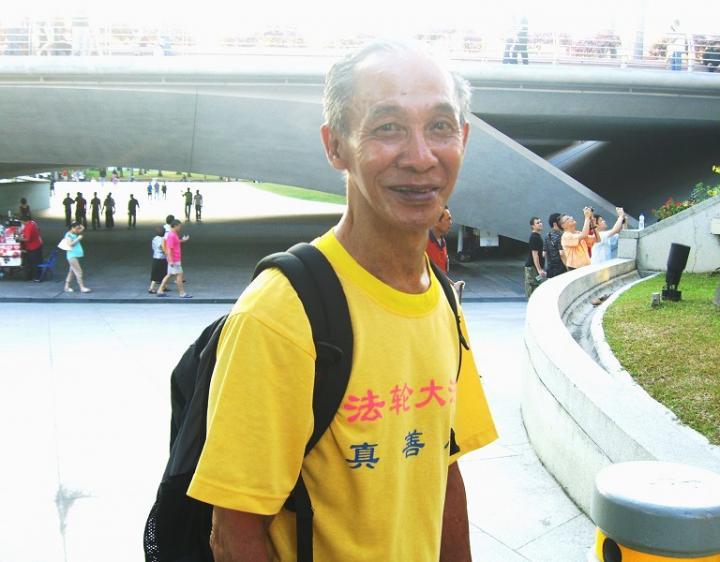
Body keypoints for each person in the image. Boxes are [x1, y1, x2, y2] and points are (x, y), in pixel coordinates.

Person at [187, 40, 497, 562]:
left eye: (440, 126)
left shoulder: (440, 294)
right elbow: (234, 536)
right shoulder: (280, 316)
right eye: (388, 127)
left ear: (462, 139)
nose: (421, 157)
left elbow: (443, 467)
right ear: (336, 147)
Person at [156, 219, 191, 298]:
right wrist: (171, 260)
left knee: (169, 275)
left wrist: (183, 240)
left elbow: (176, 242)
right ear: (175, 226)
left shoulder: (173, 234)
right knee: (179, 275)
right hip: (174, 259)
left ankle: (160, 290)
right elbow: (169, 248)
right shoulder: (171, 235)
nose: (180, 228)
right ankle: (182, 293)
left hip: (174, 259)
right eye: (179, 226)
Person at [63, 221, 91, 293]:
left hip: (75, 256)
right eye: (76, 228)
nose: (78, 230)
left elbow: (83, 227)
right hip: (72, 256)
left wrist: (77, 223)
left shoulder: (74, 233)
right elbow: (70, 244)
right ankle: (82, 287)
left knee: (71, 271)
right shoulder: (68, 235)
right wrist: (78, 239)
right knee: (79, 272)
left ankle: (66, 286)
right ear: (72, 228)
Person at [426, 206, 452, 273]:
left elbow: (441, 273)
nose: (451, 222)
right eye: (448, 219)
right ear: (436, 222)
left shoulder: (443, 242)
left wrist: (452, 283)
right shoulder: (423, 244)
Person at [524, 216, 545, 297]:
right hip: (532, 269)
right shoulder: (534, 237)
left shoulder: (537, 236)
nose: (540, 224)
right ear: (533, 226)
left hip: (535, 269)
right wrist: (539, 269)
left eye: (540, 222)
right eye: (538, 223)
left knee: (537, 284)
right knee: (533, 289)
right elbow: (534, 254)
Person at [19, 215, 43, 281]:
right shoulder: (33, 223)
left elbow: (27, 239)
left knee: (33, 262)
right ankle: (35, 276)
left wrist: (19, 238)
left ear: (23, 221)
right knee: (36, 261)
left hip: (33, 247)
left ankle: (36, 277)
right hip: (37, 245)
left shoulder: (28, 227)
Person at [543, 212, 566, 278]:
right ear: (555, 224)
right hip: (560, 269)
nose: (562, 224)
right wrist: (567, 267)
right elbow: (562, 253)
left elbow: (544, 253)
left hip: (550, 268)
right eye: (561, 222)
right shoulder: (561, 236)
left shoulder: (547, 235)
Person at [148, 226, 168, 294]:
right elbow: (163, 248)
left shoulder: (154, 238)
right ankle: (151, 288)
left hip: (155, 257)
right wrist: (167, 252)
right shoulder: (162, 240)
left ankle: (164, 286)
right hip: (161, 258)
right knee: (162, 273)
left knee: (159, 273)